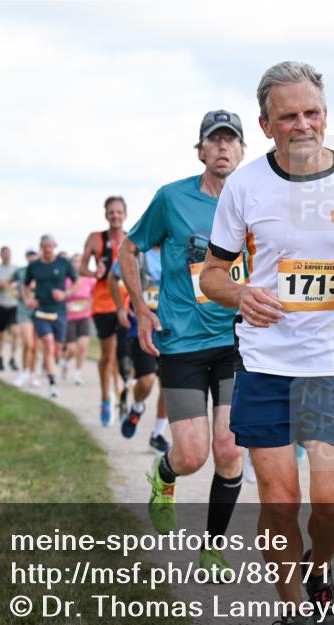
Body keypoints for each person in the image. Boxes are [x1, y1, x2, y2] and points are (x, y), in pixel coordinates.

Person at [200, 63, 334, 625]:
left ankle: (318, 571)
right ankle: (289, 616)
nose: (302, 124)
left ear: (325, 116)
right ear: (265, 125)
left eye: (312, 112)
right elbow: (211, 274)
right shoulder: (245, 188)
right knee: (279, 504)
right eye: (288, 115)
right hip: (264, 363)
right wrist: (240, 293)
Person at [122, 109, 248, 579]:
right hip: (182, 343)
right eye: (213, 141)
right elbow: (130, 248)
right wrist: (141, 308)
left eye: (230, 140)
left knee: (231, 448)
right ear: (200, 151)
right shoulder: (171, 199)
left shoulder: (255, 199)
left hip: (238, 340)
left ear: (241, 151)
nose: (222, 147)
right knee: (193, 454)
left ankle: (213, 547)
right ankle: (165, 475)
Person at [109, 247, 168, 452]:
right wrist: (119, 307)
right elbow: (113, 277)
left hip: (171, 327)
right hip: (142, 325)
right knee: (147, 380)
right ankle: (137, 407)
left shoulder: (178, 244)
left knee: (170, 384)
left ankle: (158, 434)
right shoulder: (138, 248)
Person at [81, 196, 130, 426]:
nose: (115, 216)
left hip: (126, 303)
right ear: (105, 214)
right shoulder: (95, 238)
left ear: (125, 214)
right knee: (107, 356)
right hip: (102, 304)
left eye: (119, 212)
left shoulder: (131, 239)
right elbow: (81, 267)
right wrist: (94, 272)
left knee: (125, 357)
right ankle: (105, 398)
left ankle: (122, 394)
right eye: (111, 212)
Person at [22, 235, 77, 398]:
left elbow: (76, 282)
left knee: (57, 350)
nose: (47, 248)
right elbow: (25, 286)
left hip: (58, 311)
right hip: (40, 310)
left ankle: (49, 366)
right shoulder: (34, 266)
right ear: (41, 246)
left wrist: (65, 294)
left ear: (54, 246)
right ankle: (52, 383)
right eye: (44, 245)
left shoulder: (63, 263)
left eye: (50, 245)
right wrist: (28, 299)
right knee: (48, 343)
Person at [63, 253, 96, 385]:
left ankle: (77, 373)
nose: (77, 264)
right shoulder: (66, 280)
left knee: (82, 346)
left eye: (80, 261)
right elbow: (61, 296)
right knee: (71, 349)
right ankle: (66, 361)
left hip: (84, 316)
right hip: (69, 317)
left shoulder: (89, 280)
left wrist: (90, 304)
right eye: (75, 261)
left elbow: (94, 295)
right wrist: (65, 304)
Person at [0, 246, 21, 372]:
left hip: (14, 304)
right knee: (2, 333)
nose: (6, 256)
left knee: (16, 332)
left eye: (8, 253)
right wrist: (0, 285)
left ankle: (12, 358)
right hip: (0, 304)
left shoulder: (16, 270)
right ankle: (0, 356)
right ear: (0, 255)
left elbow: (22, 284)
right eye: (4, 254)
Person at [12, 249, 40, 388]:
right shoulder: (21, 271)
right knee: (28, 343)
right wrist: (14, 294)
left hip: (39, 310)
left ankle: (33, 373)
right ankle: (25, 371)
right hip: (24, 310)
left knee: (35, 346)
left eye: (34, 254)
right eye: (29, 255)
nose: (31, 257)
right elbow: (8, 283)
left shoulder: (43, 270)